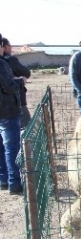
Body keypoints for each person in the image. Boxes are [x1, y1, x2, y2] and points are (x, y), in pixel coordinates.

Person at [0, 36, 25, 195]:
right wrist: (20, 81)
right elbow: (8, 86)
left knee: (2, 146)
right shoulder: (1, 64)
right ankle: (14, 183)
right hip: (7, 110)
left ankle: (3, 179)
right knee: (12, 147)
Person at [1, 37, 32, 129]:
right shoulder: (10, 60)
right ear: (5, 47)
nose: (11, 48)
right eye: (10, 46)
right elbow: (26, 73)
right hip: (15, 102)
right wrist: (21, 80)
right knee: (25, 127)